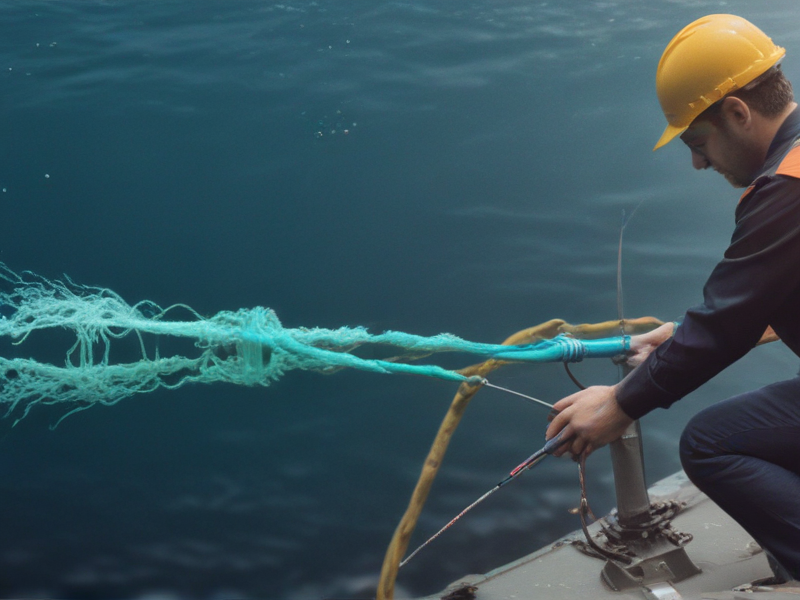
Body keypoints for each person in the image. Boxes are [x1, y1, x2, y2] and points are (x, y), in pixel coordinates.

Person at [545, 14, 800, 581]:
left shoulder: (786, 191)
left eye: (698, 142)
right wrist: (686, 330)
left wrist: (618, 405)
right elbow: (750, 305)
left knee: (712, 442)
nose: (698, 163)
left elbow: (723, 327)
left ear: (738, 112)